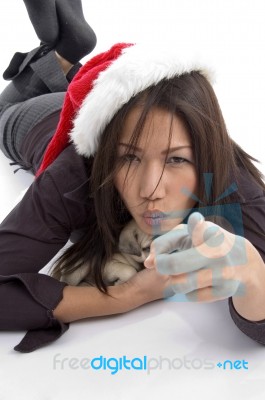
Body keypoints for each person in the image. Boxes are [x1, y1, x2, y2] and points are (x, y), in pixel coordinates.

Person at [0, 1, 265, 354]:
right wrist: (128, 295)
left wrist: (254, 279)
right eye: (128, 157)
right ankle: (62, 58)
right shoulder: (73, 175)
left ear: (204, 154)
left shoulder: (232, 184)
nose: (150, 190)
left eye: (175, 159)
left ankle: (63, 58)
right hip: (39, 121)